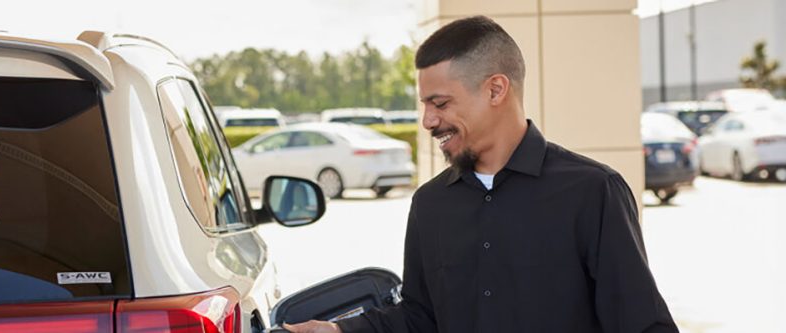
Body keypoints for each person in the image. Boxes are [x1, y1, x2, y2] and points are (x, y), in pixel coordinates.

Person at [284, 16, 677, 333]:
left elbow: (641, 323)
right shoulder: (431, 204)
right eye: (425, 104)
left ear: (495, 90)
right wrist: (339, 332)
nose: (427, 120)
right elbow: (421, 317)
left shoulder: (592, 191)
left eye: (440, 103)